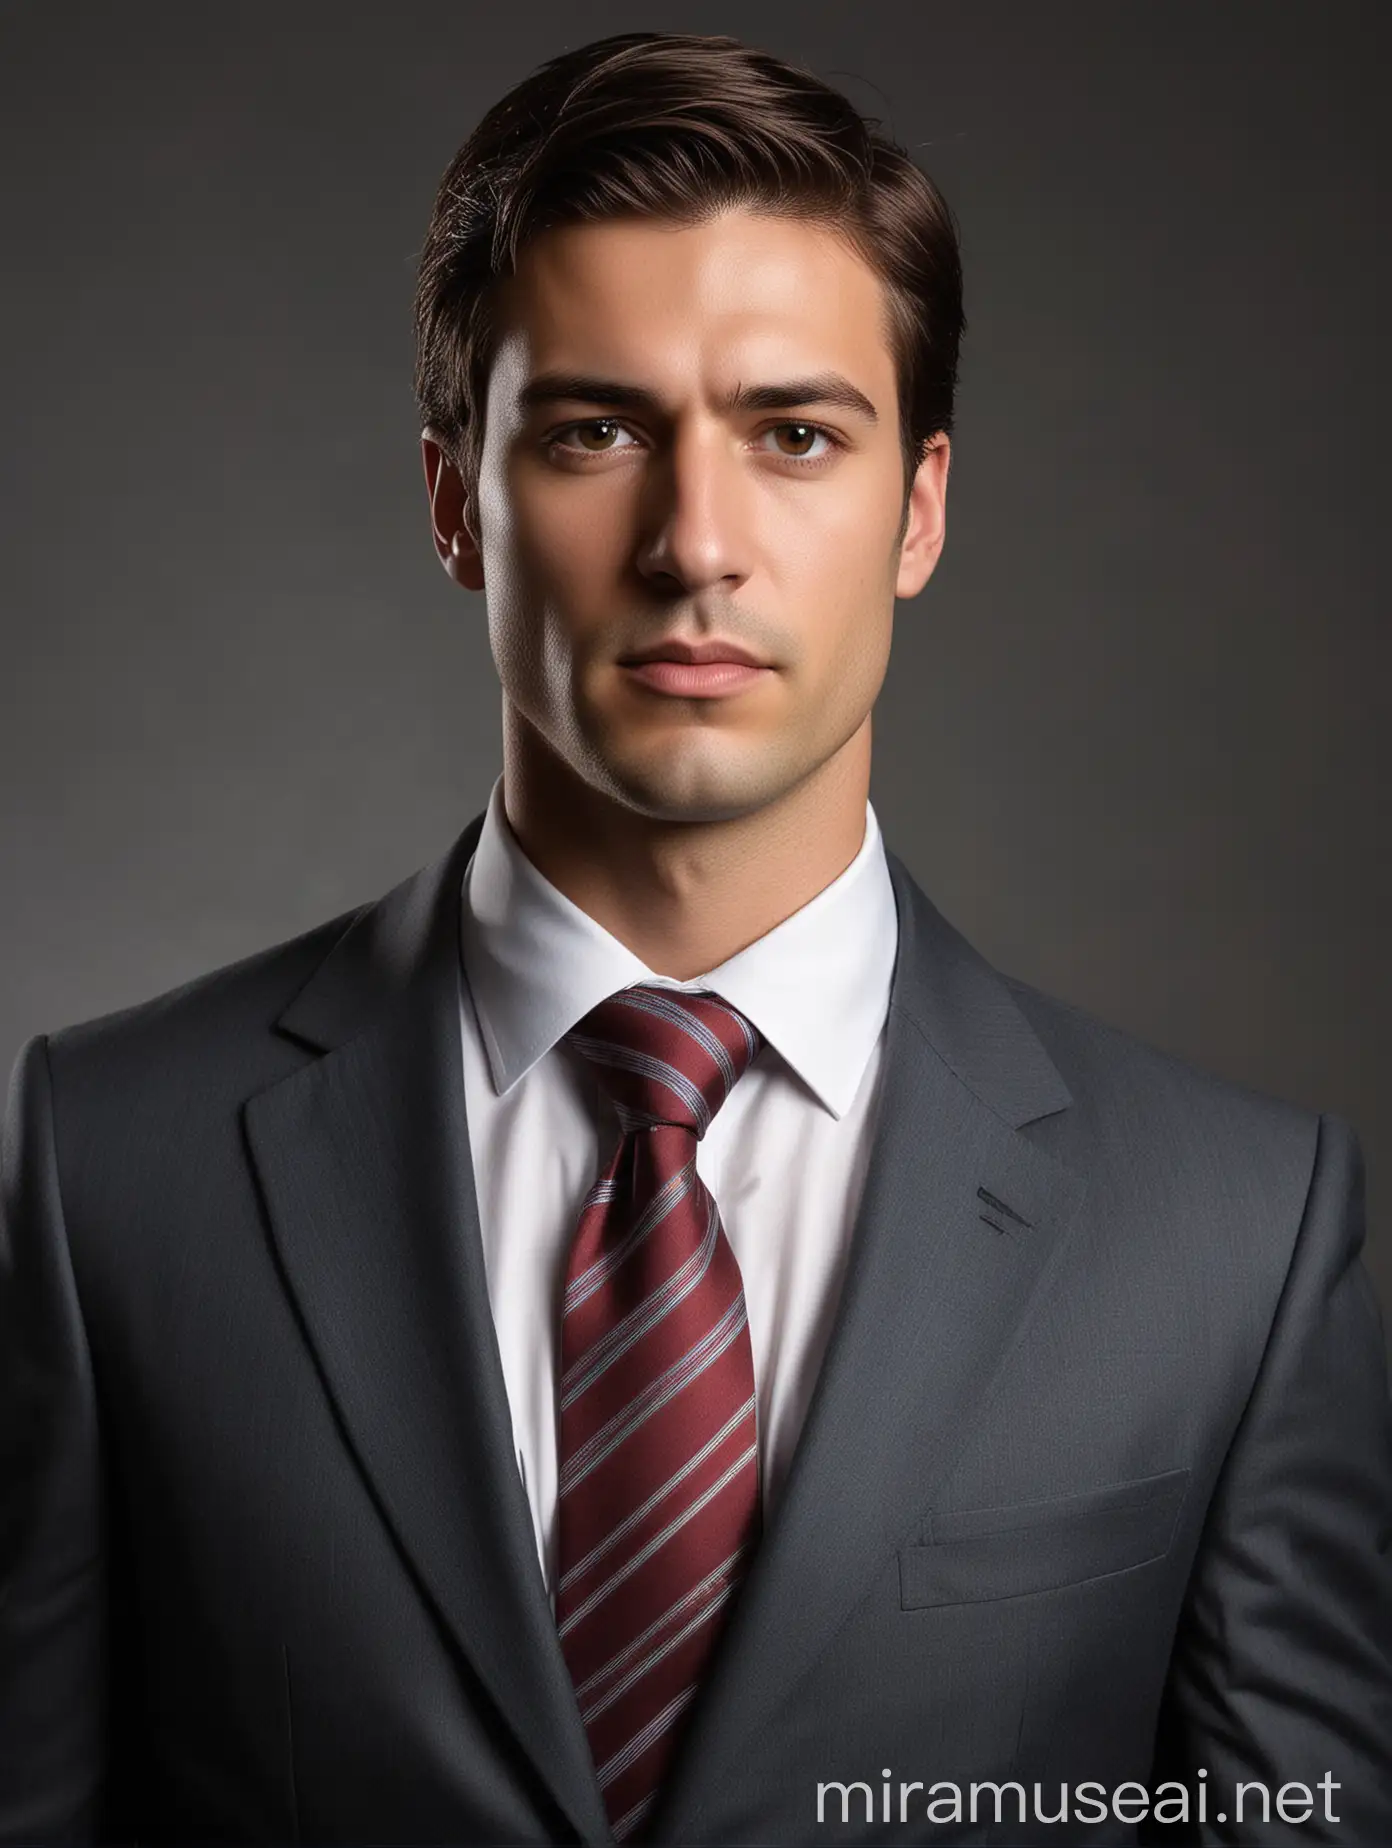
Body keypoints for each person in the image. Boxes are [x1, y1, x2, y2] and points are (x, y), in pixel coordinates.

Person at [2, 28, 1389, 1847]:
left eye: (795, 435)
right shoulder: (118, 1167)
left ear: (923, 510)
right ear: (453, 504)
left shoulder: (1236, 1235)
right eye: (594, 433)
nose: (695, 543)